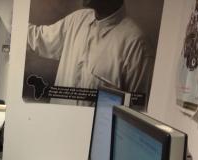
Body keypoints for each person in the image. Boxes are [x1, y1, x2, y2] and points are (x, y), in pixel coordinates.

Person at [27, 0, 155, 105]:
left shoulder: (137, 45)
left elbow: (135, 114)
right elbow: (38, 38)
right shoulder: (77, 20)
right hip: (56, 125)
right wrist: (14, 18)